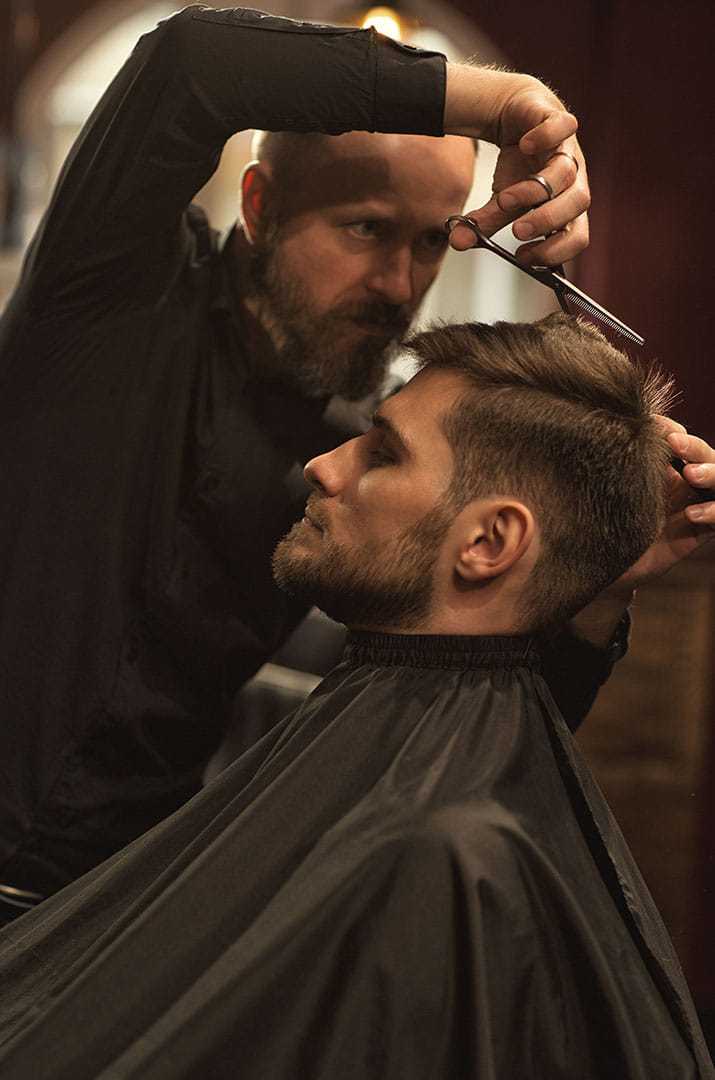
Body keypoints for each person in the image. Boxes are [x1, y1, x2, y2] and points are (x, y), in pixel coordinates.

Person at [0, 4, 613, 910]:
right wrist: (509, 103)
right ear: (258, 205)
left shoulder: (354, 450)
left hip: (109, 906)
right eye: (365, 229)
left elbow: (449, 697)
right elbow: (191, 61)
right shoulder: (113, 299)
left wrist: (605, 589)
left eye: (426, 243)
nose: (398, 286)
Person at [0, 313, 712, 1079]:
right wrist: (595, 590)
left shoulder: (436, 857)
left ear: (487, 543)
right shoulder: (431, 741)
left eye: (382, 453)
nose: (323, 467)